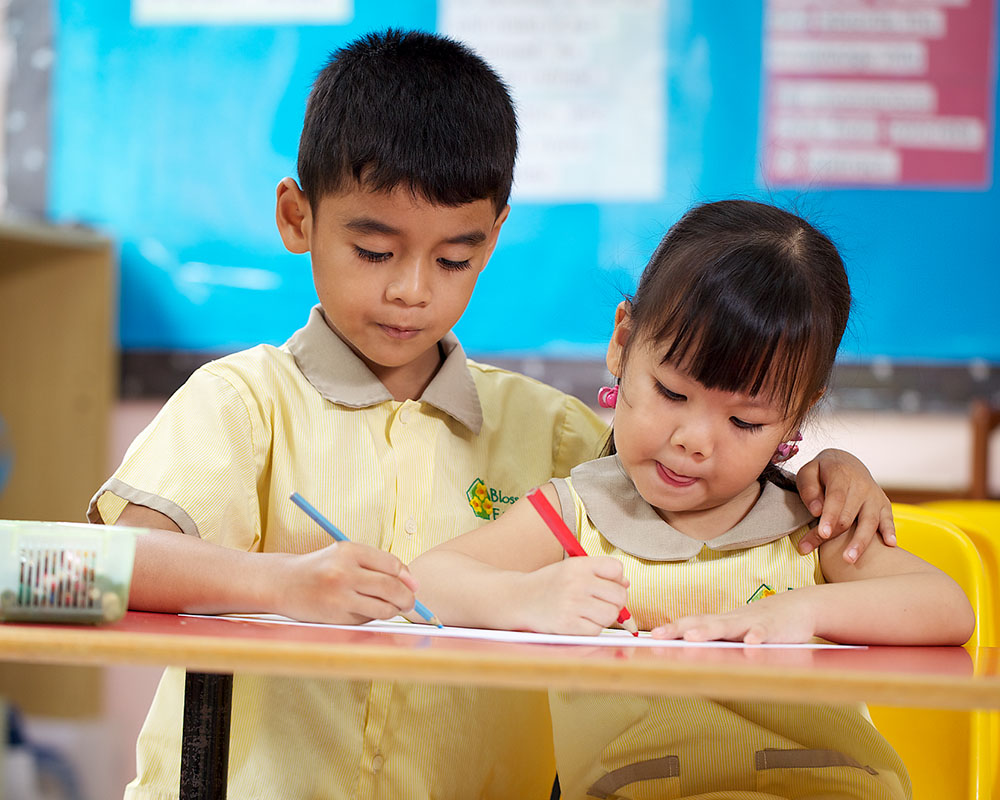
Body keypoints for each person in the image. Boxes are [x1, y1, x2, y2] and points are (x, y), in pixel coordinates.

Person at [89, 30, 899, 800]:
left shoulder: (554, 433)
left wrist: (826, 474)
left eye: (454, 258)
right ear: (298, 218)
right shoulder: (244, 402)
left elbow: (706, 473)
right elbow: (106, 565)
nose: (412, 289)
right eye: (375, 252)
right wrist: (284, 585)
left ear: (495, 236)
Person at [408, 200, 974, 799]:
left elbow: (947, 607)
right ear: (623, 344)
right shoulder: (577, 516)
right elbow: (425, 580)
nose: (694, 441)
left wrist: (801, 612)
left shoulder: (807, 526)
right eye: (672, 393)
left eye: (745, 422)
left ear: (795, 417)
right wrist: (525, 595)